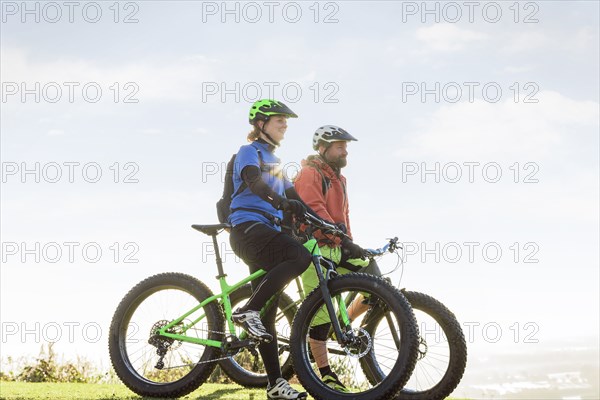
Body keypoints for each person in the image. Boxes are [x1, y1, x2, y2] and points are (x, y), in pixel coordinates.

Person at [228, 99, 311, 400]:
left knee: (268, 310)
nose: (285, 125)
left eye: (286, 122)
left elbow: (294, 199)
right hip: (248, 229)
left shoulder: (277, 164)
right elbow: (252, 181)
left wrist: (320, 223)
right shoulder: (249, 152)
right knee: (300, 256)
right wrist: (281, 204)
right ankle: (247, 309)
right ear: (261, 124)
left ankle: (275, 383)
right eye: (280, 121)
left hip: (266, 233)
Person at [293, 125, 382, 392]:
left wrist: (350, 244)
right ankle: (325, 374)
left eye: (346, 147)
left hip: (337, 246)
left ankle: (341, 325)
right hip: (313, 248)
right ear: (323, 148)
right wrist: (342, 239)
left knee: (375, 281)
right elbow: (314, 209)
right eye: (340, 146)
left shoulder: (340, 180)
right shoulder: (310, 173)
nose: (345, 151)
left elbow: (344, 217)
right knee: (319, 313)